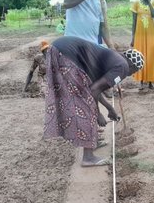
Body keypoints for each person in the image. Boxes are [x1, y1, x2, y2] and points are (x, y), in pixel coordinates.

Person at [41, 36, 143, 167]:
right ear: (132, 65)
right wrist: (98, 114)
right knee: (85, 106)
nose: (131, 74)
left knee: (84, 100)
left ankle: (92, 141)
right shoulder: (122, 67)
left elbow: (93, 87)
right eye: (134, 71)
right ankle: (88, 158)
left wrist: (109, 108)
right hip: (66, 55)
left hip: (59, 49)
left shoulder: (114, 58)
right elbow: (93, 91)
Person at [129, 0, 154, 92]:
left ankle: (151, 82)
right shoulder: (136, 4)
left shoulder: (153, 2)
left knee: (150, 57)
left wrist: (149, 3)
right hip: (140, 36)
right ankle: (141, 82)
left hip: (151, 36)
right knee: (140, 57)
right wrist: (133, 38)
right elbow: (133, 22)